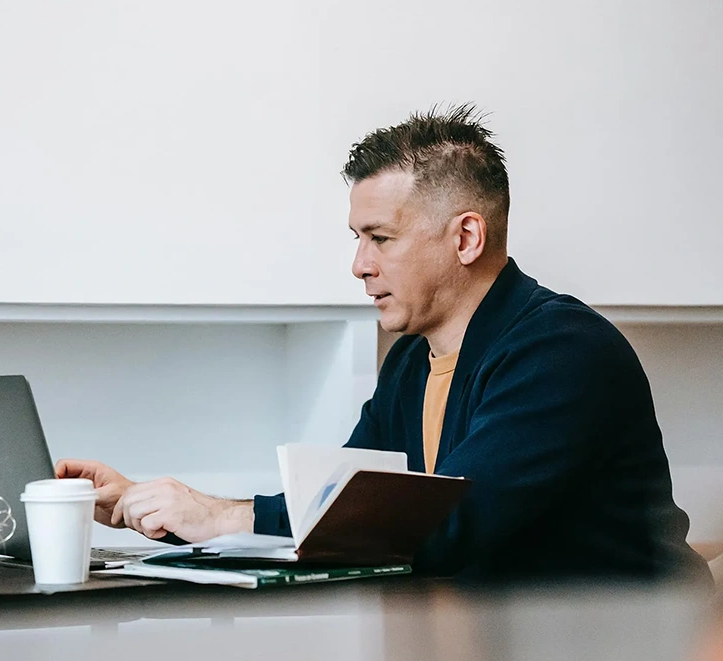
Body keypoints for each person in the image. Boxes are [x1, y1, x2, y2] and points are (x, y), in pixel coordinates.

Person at [57, 105, 711, 583]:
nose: (359, 265)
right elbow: (337, 505)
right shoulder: (411, 361)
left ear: (465, 238)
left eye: (381, 237)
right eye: (356, 238)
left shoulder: (563, 354)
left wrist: (220, 516)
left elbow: (441, 527)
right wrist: (163, 507)